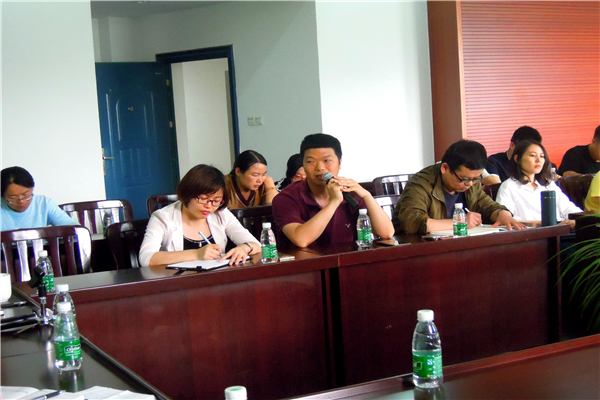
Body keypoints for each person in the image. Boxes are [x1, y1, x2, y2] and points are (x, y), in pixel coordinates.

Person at [272, 133, 394, 248]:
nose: (320, 167)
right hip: (306, 262)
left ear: (339, 163)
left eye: (327, 161)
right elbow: (301, 240)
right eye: (310, 162)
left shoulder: (351, 192)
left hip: (348, 259)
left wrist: (366, 195)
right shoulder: (286, 198)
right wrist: (334, 202)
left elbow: (387, 233)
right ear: (303, 165)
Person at [139, 164, 260, 267]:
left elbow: (256, 245)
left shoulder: (221, 213)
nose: (209, 206)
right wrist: (196, 254)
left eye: (216, 200)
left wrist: (244, 248)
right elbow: (146, 258)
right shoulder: (162, 217)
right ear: (187, 194)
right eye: (203, 199)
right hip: (177, 282)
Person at [394, 140, 525, 235]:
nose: (470, 184)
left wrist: (502, 214)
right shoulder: (421, 183)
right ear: (445, 168)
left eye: (476, 179)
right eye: (464, 179)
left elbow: (487, 206)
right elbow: (411, 222)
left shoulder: (471, 183)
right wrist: (460, 222)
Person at [496, 141, 582, 229]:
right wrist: (542, 224)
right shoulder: (508, 186)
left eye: (542, 156)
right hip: (531, 233)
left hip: (559, 231)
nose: (538, 160)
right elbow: (506, 219)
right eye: (533, 155)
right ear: (517, 159)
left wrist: (575, 220)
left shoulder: (548, 184)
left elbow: (567, 208)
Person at [1, 166, 76, 231]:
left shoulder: (43, 203)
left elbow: (74, 229)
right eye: (13, 197)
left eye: (26, 195)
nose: (21, 201)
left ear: (32, 189)